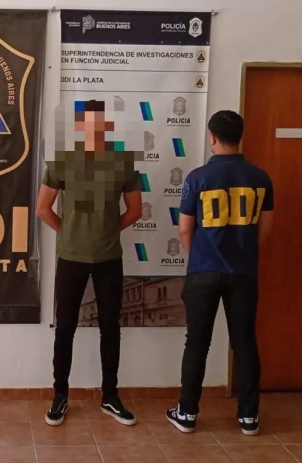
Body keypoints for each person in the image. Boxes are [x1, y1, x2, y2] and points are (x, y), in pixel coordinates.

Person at [166, 110, 274, 436]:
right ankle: (249, 417)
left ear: (212, 136)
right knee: (244, 342)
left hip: (203, 271)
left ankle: (187, 413)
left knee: (197, 343)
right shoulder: (261, 178)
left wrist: (199, 258)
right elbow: (265, 230)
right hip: (243, 272)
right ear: (240, 136)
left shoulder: (197, 178)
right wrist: (244, 254)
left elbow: (185, 230)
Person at [37, 100, 142, 427]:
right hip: (71, 258)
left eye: (100, 121)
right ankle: (60, 395)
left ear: (108, 125)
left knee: (110, 328)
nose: (95, 127)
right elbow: (43, 208)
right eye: (88, 121)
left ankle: (110, 396)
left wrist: (107, 232)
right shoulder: (62, 161)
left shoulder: (123, 162)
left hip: (109, 258)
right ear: (79, 126)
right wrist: (69, 233)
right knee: (65, 328)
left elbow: (136, 210)